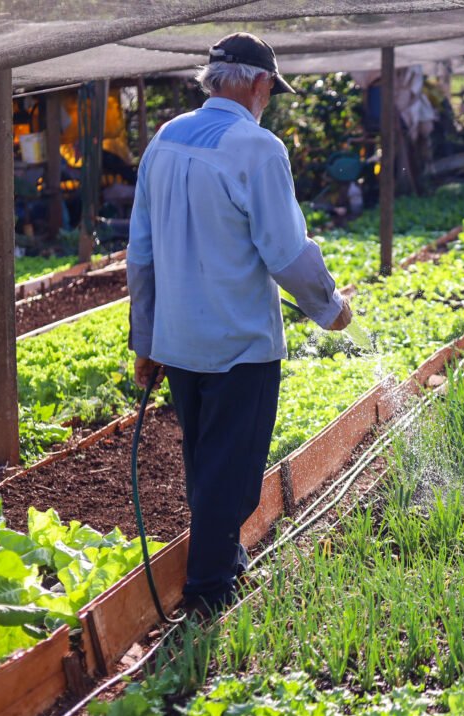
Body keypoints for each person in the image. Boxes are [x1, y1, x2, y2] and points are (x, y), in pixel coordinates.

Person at [127, 32, 353, 616]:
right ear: (258, 84)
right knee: (233, 474)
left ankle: (222, 561)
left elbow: (141, 250)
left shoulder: (166, 138)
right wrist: (330, 308)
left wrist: (145, 340)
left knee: (207, 461)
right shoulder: (256, 148)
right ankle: (206, 595)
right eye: (270, 91)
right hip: (238, 344)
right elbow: (284, 249)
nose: (268, 100)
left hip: (179, 341)